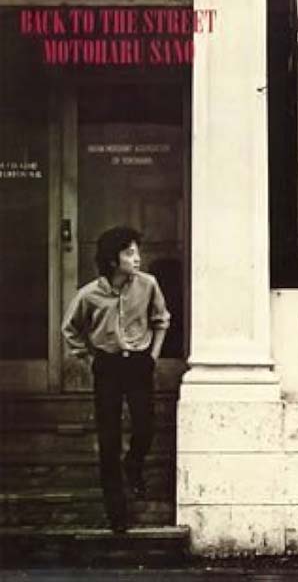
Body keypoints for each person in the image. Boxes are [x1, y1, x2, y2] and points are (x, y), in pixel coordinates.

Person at [61, 226, 170, 533]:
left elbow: (161, 320)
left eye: (137, 252)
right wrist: (89, 358)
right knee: (108, 439)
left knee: (144, 427)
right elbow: (70, 329)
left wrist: (152, 357)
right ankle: (116, 511)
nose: (137, 258)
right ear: (112, 260)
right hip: (107, 366)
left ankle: (134, 464)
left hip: (138, 364)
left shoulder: (148, 285)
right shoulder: (89, 295)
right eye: (129, 253)